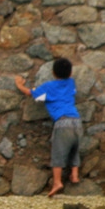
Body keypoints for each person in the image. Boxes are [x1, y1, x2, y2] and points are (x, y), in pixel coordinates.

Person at [15, 57, 82, 197]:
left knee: (59, 151)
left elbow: (31, 93)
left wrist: (20, 85)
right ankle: (74, 175)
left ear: (53, 72)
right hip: (76, 120)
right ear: (70, 73)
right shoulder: (71, 83)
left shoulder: (49, 87)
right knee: (74, 147)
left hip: (62, 122)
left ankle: (57, 182)